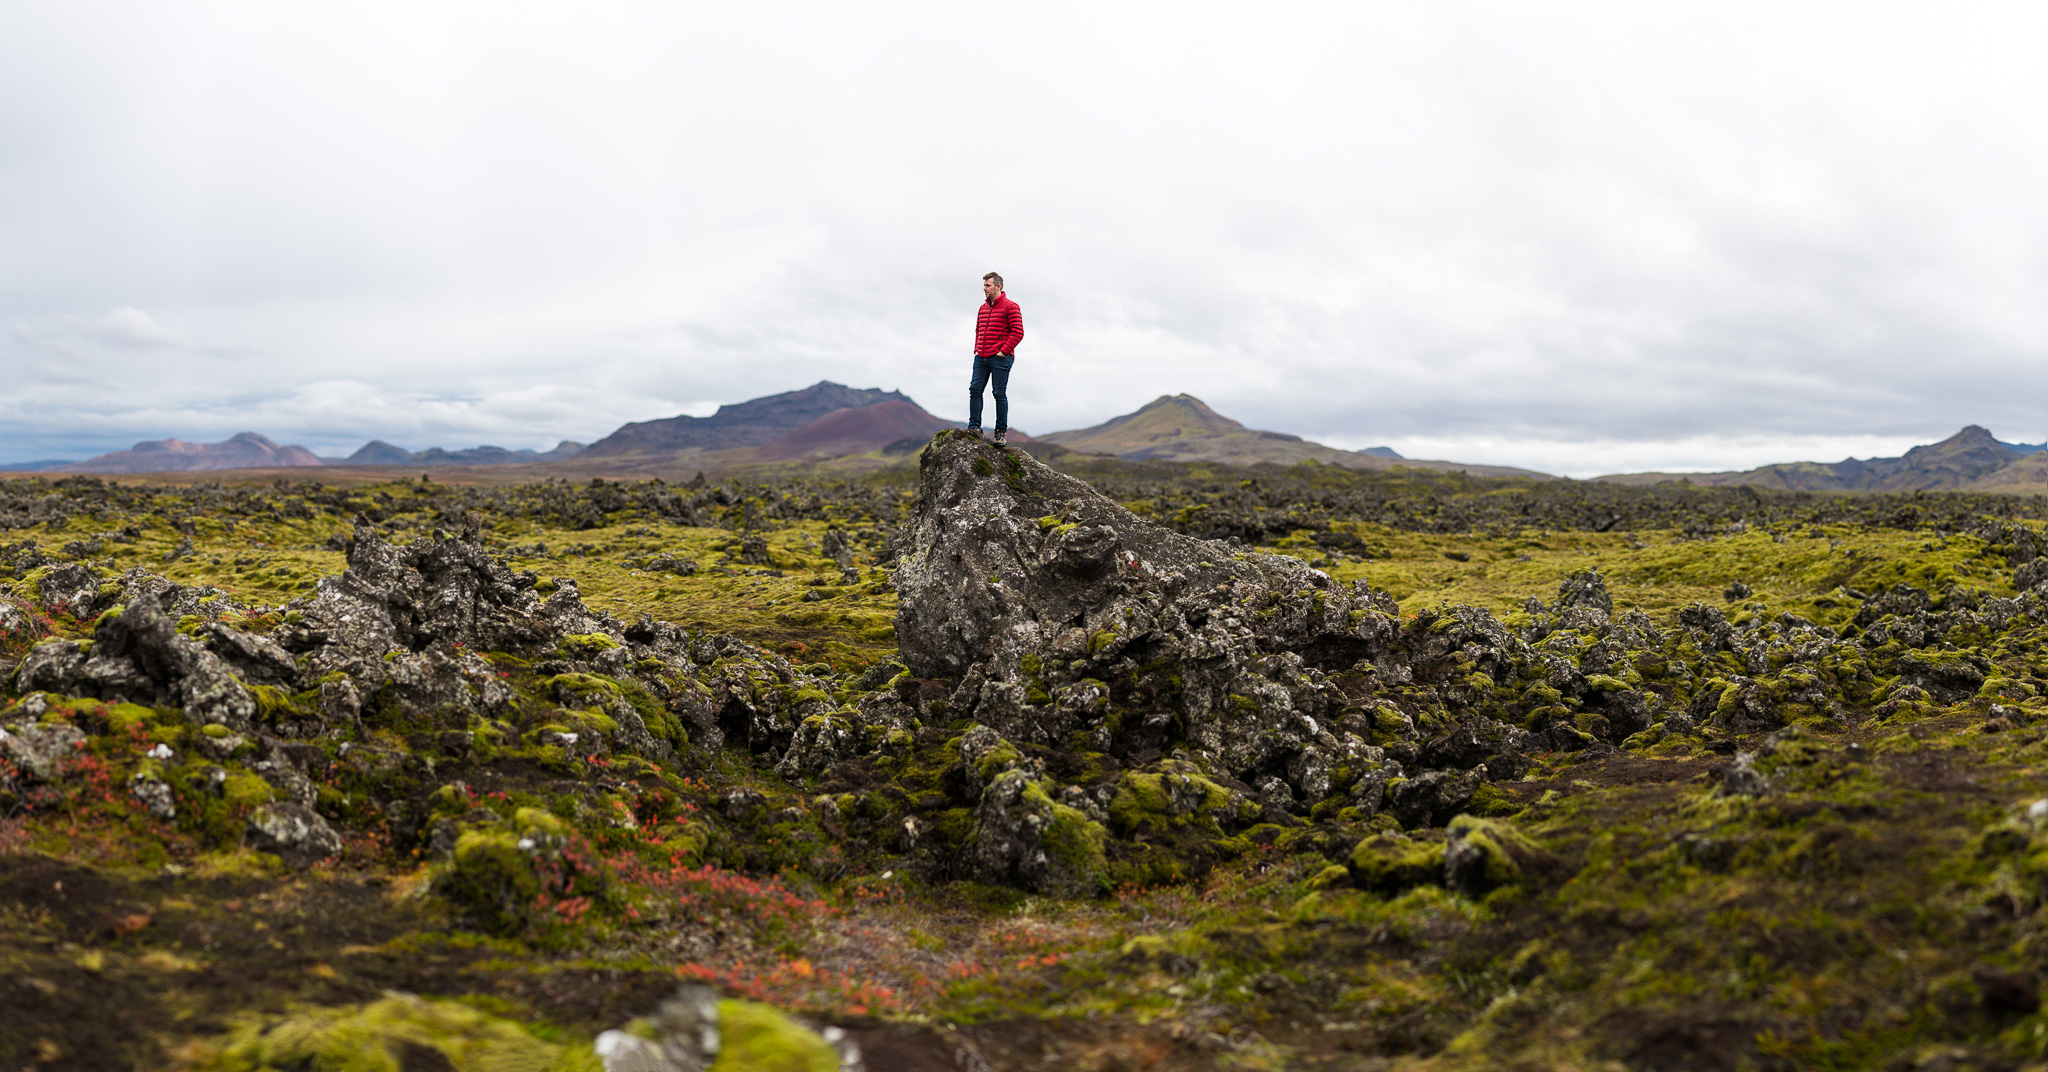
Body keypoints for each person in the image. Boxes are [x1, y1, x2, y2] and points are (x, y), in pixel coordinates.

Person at [969, 271, 1023, 446]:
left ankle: (1000, 433)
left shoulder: (1011, 306)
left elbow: (1018, 332)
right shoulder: (982, 308)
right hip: (981, 357)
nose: (984, 288)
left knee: (998, 393)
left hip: (1000, 357)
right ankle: (974, 428)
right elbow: (978, 331)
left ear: (998, 286)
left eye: (987, 285)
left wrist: (1003, 351)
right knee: (975, 390)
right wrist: (977, 349)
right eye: (984, 285)